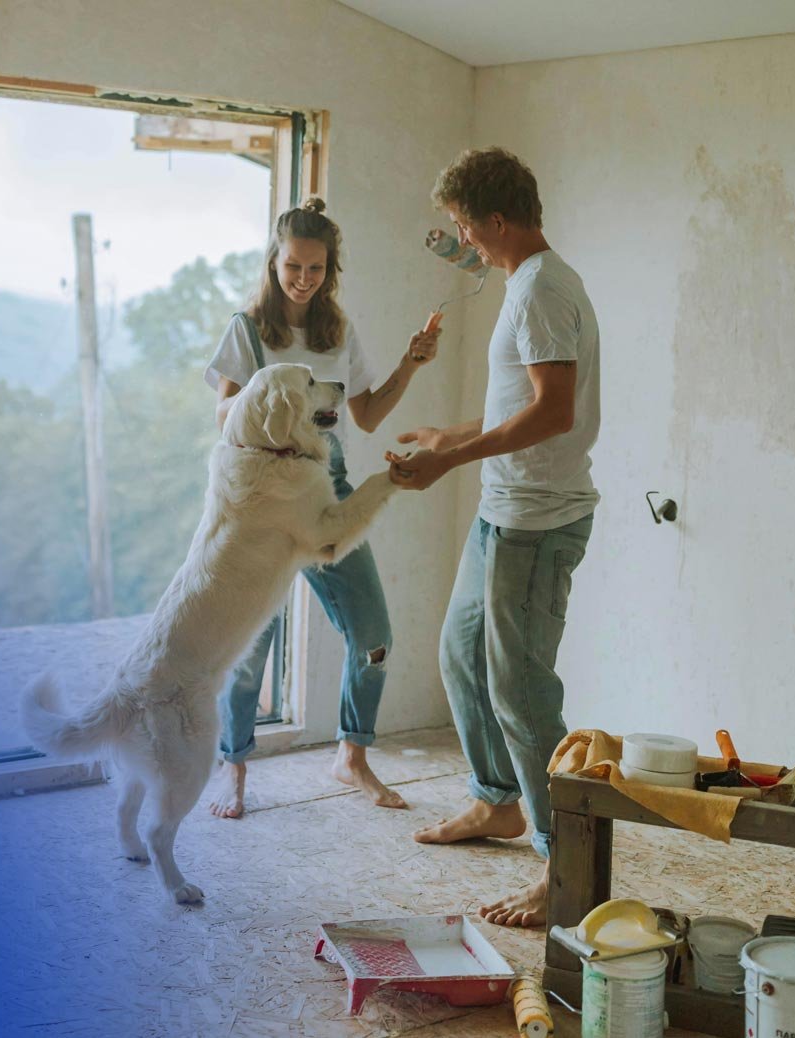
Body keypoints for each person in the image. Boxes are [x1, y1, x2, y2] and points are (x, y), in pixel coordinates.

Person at [387, 148, 600, 928]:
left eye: (464, 227)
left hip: (536, 522)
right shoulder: (527, 284)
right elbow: (523, 403)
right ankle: (496, 802)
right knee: (458, 652)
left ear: (498, 221)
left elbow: (554, 412)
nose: (463, 240)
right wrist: (454, 435)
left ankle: (563, 864)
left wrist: (448, 462)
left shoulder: (543, 288)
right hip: (502, 510)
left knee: (523, 694)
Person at [203, 197, 441, 819]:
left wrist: (410, 366)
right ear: (274, 263)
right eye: (292, 266)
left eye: (315, 268)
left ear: (329, 269)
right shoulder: (247, 328)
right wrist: (273, 394)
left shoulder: (339, 331)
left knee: (374, 637)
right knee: (251, 644)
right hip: (262, 495)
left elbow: (365, 416)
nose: (303, 278)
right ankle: (233, 767)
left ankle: (351, 756)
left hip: (326, 487)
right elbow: (223, 416)